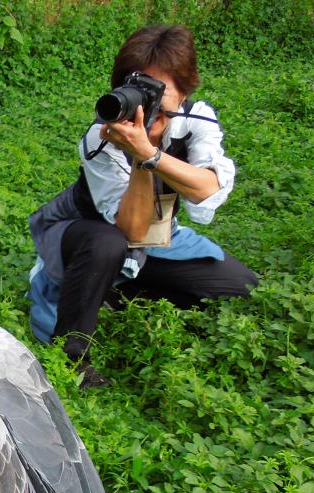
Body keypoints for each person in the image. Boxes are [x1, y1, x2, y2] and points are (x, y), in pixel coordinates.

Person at [27, 24, 258, 388]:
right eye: (140, 90)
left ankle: (115, 293)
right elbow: (131, 230)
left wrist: (150, 154)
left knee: (241, 286)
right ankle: (71, 357)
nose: (148, 110)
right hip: (89, 233)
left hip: (160, 234)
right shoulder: (102, 136)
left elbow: (205, 192)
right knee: (108, 244)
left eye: (159, 98)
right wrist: (140, 156)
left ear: (185, 91)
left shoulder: (196, 120)